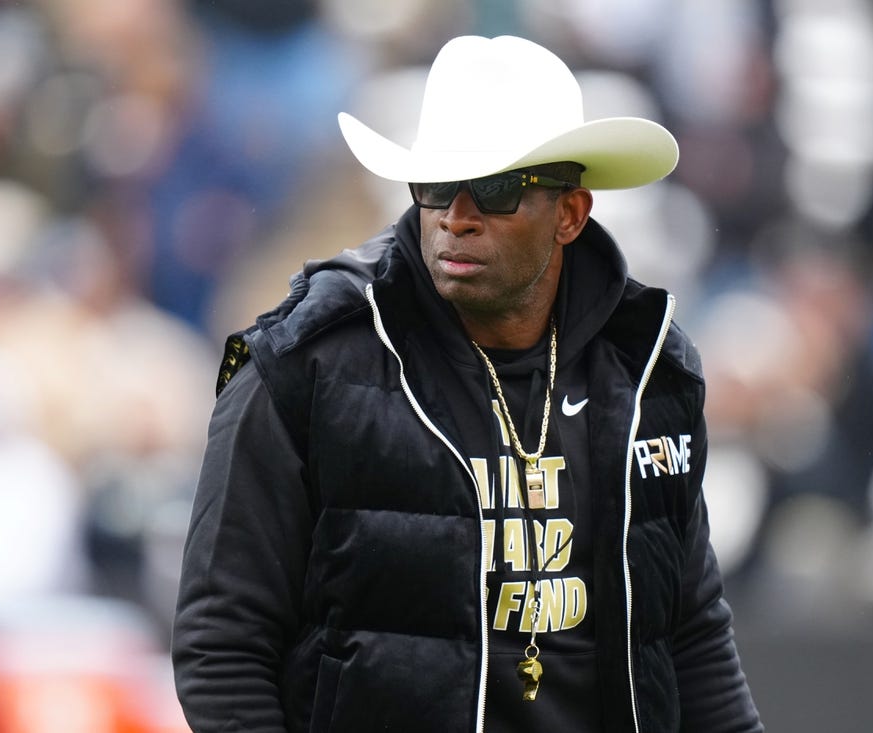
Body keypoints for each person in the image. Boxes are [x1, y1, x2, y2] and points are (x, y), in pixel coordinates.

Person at [172, 35, 764, 732]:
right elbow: (222, 645)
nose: (456, 215)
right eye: (434, 187)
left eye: (494, 188)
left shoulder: (647, 372)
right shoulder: (307, 365)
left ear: (571, 213)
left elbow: (690, 633)